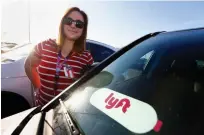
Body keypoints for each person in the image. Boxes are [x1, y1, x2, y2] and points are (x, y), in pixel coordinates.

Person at [24, 7, 94, 106]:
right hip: (42, 109)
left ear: (83, 30)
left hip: (66, 113)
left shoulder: (86, 57)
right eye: (69, 21)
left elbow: (89, 86)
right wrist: (38, 86)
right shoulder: (43, 46)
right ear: (62, 23)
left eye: (79, 24)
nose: (73, 25)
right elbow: (28, 65)